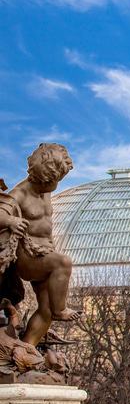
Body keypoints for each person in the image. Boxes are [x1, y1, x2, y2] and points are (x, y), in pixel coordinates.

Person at [3, 143, 80, 346]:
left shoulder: (45, 191)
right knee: (63, 262)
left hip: (45, 255)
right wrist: (12, 221)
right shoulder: (19, 194)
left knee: (45, 310)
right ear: (44, 178)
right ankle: (60, 309)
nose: (56, 186)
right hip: (28, 258)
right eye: (55, 181)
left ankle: (25, 350)